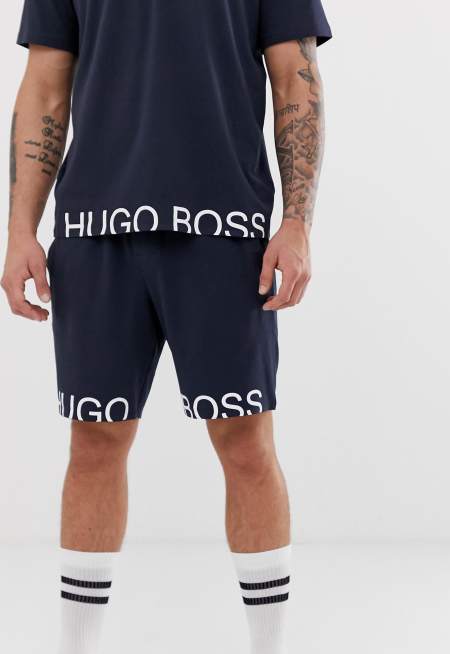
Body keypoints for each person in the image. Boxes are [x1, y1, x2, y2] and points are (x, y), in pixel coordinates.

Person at [2, 0, 331, 651]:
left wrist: (296, 223)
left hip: (224, 230)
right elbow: (44, 84)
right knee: (94, 442)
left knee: (245, 441)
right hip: (96, 228)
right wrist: (19, 229)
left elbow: (296, 77)